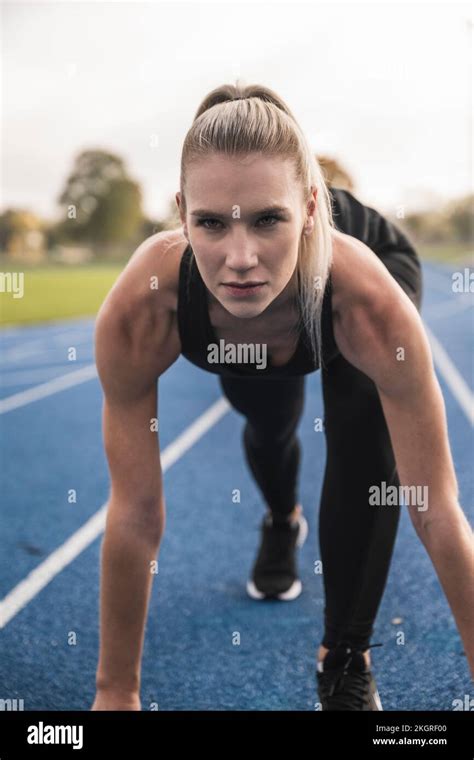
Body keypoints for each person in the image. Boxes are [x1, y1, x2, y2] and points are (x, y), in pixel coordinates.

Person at [91, 83, 473, 712]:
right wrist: (115, 693)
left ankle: (345, 656)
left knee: (361, 430)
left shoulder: (366, 300)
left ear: (312, 207)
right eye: (210, 223)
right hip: (256, 327)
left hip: (354, 279)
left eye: (269, 219)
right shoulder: (145, 304)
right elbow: (134, 511)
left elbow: (435, 508)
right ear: (182, 212)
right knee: (270, 424)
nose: (239, 258)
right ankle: (280, 519)